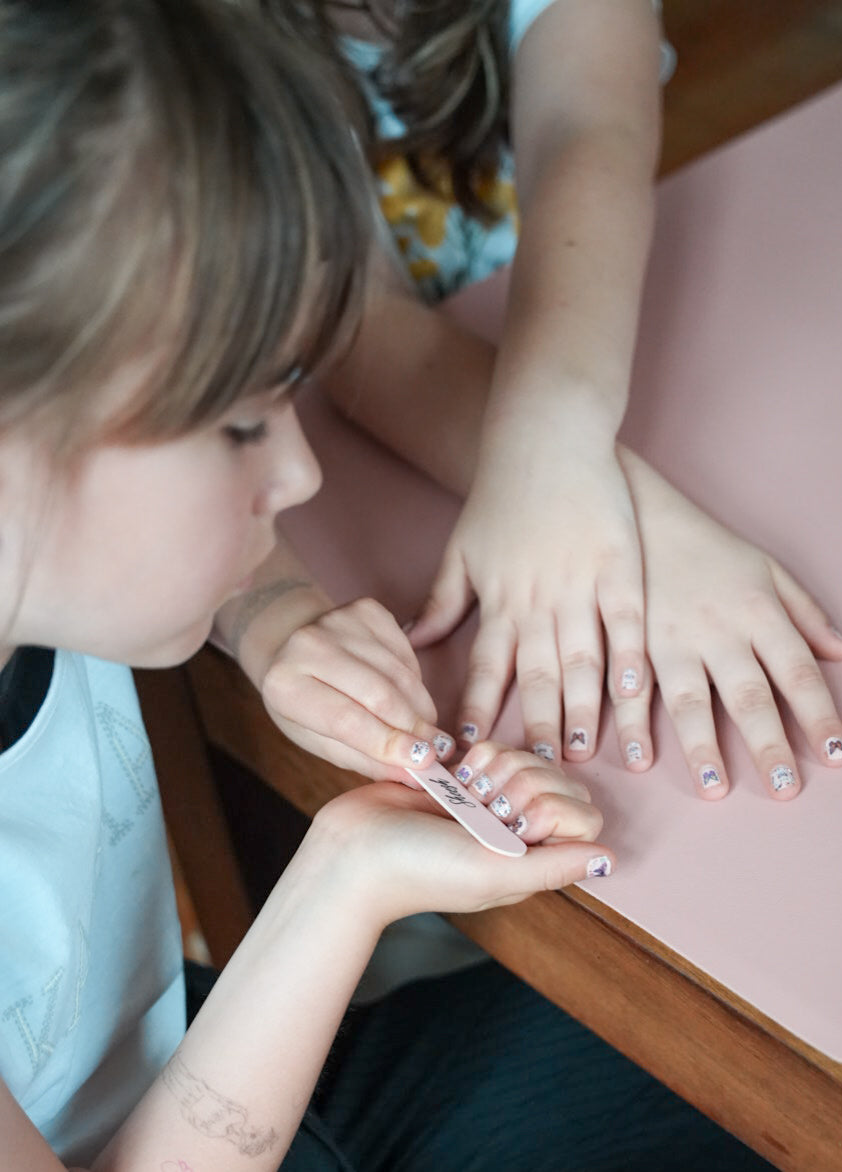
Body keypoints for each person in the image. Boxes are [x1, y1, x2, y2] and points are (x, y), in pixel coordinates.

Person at [0, 2, 775, 1169]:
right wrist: (342, 884)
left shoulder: (39, 576)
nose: (299, 469)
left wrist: (276, 617)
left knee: (732, 1089)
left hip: (184, 1073)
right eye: (245, 423)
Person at [247, 0, 842, 800]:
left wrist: (554, 453)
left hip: (540, 340)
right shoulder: (205, 44)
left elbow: (591, 135)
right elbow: (359, 323)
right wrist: (601, 497)